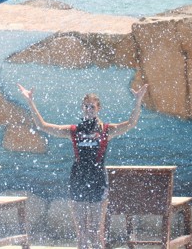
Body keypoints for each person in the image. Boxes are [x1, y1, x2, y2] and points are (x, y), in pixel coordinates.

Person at [17, 82, 148, 249]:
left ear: (98, 108)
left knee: (95, 233)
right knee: (82, 235)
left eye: (92, 106)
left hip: (98, 182)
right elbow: (42, 126)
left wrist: (138, 101)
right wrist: (30, 101)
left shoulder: (106, 130)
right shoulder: (74, 131)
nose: (89, 109)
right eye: (86, 106)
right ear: (82, 108)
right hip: (78, 180)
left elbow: (130, 124)